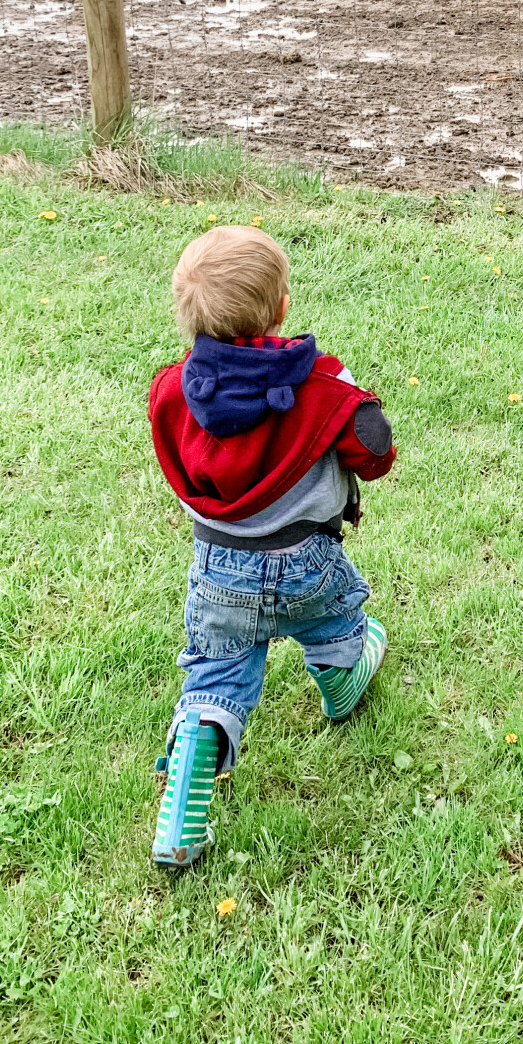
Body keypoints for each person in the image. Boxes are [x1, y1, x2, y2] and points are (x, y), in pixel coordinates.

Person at [146, 224, 395, 866]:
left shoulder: (175, 389)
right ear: (282, 307)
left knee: (216, 673)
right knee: (339, 621)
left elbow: (176, 450)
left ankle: (183, 805)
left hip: (219, 570)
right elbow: (373, 452)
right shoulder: (319, 385)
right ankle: (342, 679)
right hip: (305, 562)